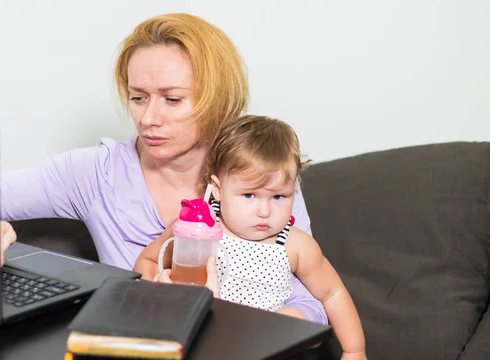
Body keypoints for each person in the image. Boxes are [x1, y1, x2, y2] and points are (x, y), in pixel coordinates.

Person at [0, 13, 328, 324]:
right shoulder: (94, 174)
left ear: (218, 100)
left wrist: (255, 329)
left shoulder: (259, 176)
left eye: (172, 99)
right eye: (138, 98)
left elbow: (313, 302)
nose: (148, 118)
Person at [139, 115, 366, 359]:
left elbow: (332, 293)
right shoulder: (198, 228)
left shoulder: (295, 245)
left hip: (264, 349)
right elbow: (148, 260)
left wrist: (354, 350)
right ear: (218, 189)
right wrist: (158, 286)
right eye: (249, 195)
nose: (264, 212)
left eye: (278, 197)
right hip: (202, 342)